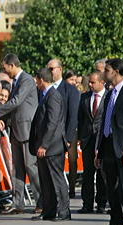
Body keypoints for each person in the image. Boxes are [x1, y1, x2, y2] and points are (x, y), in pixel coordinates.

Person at [0, 53, 42, 215]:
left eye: (5, 68)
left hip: (26, 130)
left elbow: (16, 101)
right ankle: (17, 203)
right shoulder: (16, 82)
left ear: (12, 65)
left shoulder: (25, 80)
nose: (5, 72)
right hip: (16, 131)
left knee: (31, 167)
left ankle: (41, 201)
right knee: (17, 169)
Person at [29, 67, 70, 221]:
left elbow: (52, 123)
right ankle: (49, 210)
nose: (35, 82)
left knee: (57, 180)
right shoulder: (46, 94)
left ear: (41, 80)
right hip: (44, 146)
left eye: (36, 79)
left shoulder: (53, 96)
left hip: (52, 147)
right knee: (46, 180)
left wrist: (44, 145)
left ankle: (64, 211)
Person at [96, 58, 123, 225]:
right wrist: (99, 152)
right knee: (111, 187)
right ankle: (115, 221)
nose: (104, 73)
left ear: (116, 71)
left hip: (122, 146)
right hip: (108, 145)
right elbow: (105, 124)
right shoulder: (109, 94)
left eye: (106, 70)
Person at [47, 59, 79, 198]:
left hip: (66, 133)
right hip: (49, 134)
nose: (50, 72)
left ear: (60, 69)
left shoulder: (70, 90)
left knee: (72, 160)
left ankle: (70, 188)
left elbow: (73, 115)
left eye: (52, 69)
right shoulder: (46, 88)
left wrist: (69, 137)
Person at [77, 72, 107, 214]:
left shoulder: (108, 97)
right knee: (88, 172)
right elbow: (81, 119)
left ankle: (101, 202)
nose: (89, 84)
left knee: (102, 172)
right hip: (88, 140)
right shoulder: (84, 97)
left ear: (102, 82)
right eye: (89, 82)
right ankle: (87, 203)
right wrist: (81, 137)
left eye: (93, 82)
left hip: (102, 140)